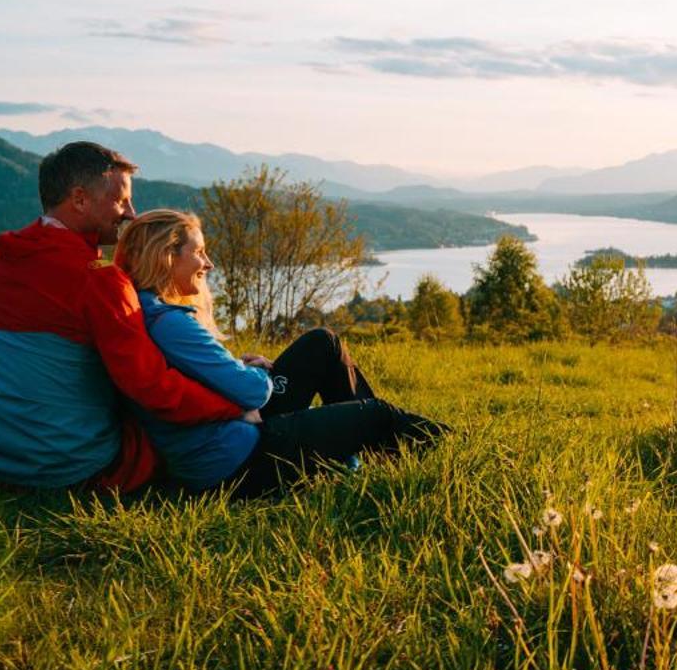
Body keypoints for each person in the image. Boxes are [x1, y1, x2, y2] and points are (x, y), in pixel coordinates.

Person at [0, 142, 246, 490]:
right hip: (67, 465)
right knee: (165, 431)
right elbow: (154, 390)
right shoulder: (98, 279)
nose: (131, 214)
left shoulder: (9, 259)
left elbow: (89, 266)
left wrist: (108, 243)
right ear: (79, 199)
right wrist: (233, 404)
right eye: (121, 201)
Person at [113, 208, 449, 494]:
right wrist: (258, 373)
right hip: (237, 460)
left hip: (230, 439)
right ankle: (451, 445)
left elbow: (208, 378)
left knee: (322, 342)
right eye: (199, 252)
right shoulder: (172, 323)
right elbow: (254, 391)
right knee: (377, 414)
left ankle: (364, 452)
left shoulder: (149, 311)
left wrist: (243, 368)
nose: (209, 263)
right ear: (167, 256)